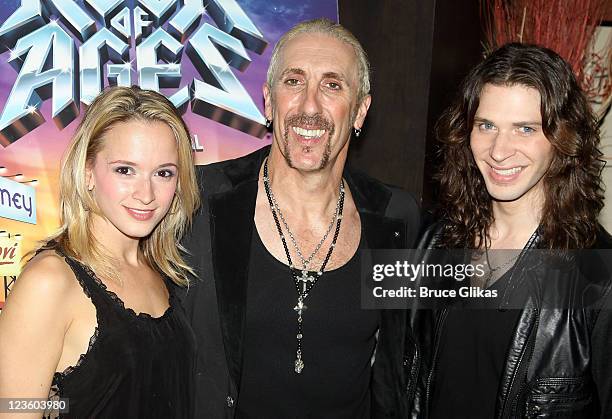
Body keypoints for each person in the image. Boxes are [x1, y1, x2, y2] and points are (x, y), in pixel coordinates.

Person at [182, 18, 420, 418]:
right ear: (269, 102)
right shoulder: (200, 202)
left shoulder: (394, 219)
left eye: (332, 85)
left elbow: (459, 325)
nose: (310, 106)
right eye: (293, 81)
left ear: (360, 110)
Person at [410, 43, 612, 418]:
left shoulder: (599, 275)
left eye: (524, 129)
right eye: (486, 125)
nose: (499, 150)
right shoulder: (434, 242)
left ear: (562, 140)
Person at [0, 86, 200, 418]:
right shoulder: (50, 282)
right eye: (125, 170)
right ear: (88, 172)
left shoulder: (166, 273)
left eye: (163, 173)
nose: (146, 194)